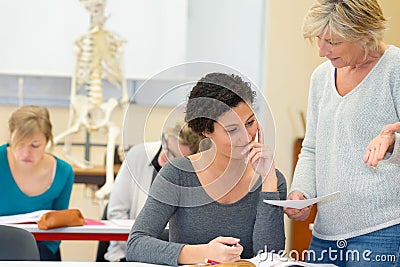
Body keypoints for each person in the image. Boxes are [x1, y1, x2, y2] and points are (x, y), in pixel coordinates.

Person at [126, 72, 286, 265]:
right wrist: (204, 252)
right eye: (232, 130)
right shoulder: (177, 175)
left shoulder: (272, 180)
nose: (246, 136)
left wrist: (268, 181)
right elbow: (136, 244)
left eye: (250, 123)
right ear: (206, 131)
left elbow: (271, 256)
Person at [284, 1, 400, 266]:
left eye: (333, 42)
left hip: (384, 231)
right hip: (325, 234)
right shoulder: (321, 77)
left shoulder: (395, 69)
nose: (322, 51)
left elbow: (394, 142)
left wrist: (393, 143)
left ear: (365, 34)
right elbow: (312, 147)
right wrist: (300, 192)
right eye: (319, 40)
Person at [104, 123, 203, 262]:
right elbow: (116, 212)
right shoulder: (138, 154)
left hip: (171, 256)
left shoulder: (191, 174)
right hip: (126, 253)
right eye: (165, 146)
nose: (164, 155)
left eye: (173, 156)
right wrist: (140, 248)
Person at [0, 105, 74, 261]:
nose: (26, 153)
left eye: (35, 146)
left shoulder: (63, 172)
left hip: (41, 251)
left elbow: (58, 230)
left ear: (47, 141)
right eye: (19, 144)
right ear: (11, 137)